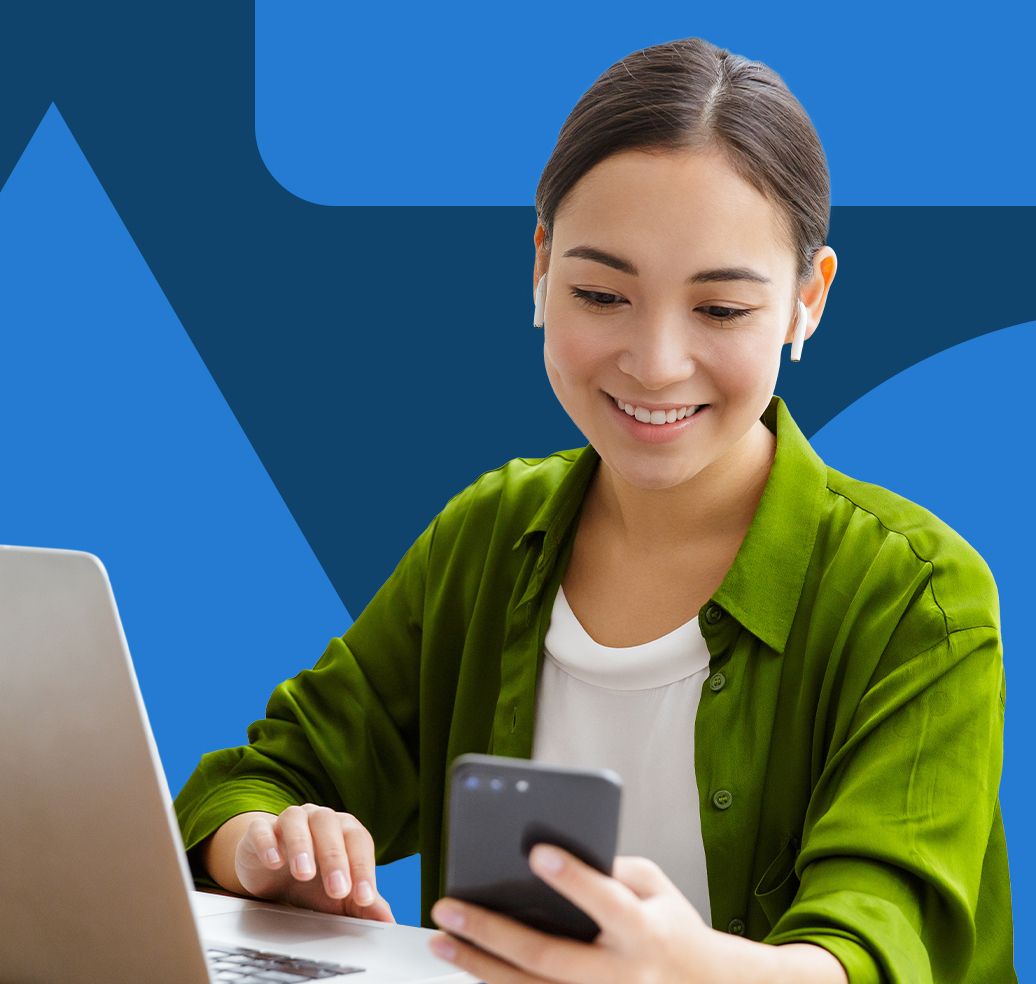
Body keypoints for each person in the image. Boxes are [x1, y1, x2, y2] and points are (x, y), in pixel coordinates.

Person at [173, 36, 1015, 983]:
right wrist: (267, 848)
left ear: (806, 301)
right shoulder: (489, 534)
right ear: (541, 268)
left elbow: (877, 946)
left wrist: (681, 970)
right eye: (601, 294)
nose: (654, 363)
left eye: (721, 310)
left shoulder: (918, 597)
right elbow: (257, 783)